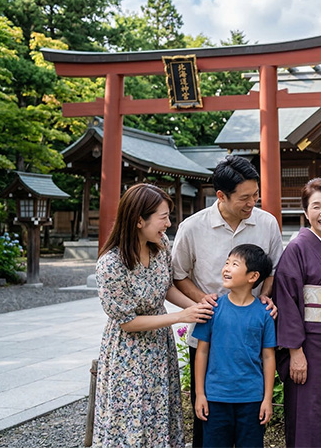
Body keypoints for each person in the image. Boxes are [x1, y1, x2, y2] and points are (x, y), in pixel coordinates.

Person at [172, 155, 283, 447]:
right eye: (245, 198)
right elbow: (178, 275)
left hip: (250, 336)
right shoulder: (192, 228)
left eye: (256, 195)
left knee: (250, 423)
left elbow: (273, 271)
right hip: (209, 336)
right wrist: (203, 301)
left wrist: (266, 298)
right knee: (208, 427)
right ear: (220, 196)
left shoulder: (267, 223)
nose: (252, 204)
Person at [94, 183, 214, 448]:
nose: (168, 224)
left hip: (159, 347)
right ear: (139, 220)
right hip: (128, 353)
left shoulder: (160, 246)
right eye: (163, 217)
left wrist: (199, 307)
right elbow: (127, 323)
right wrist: (182, 316)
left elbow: (166, 287)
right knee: (132, 417)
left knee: (160, 413)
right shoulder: (110, 264)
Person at [272, 178, 321, 447]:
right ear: (306, 212)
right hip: (307, 346)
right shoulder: (296, 248)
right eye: (316, 206)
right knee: (306, 414)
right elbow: (286, 301)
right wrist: (294, 352)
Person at [193, 244, 276, 447]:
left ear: (252, 276)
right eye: (226, 263)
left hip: (252, 401)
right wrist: (200, 394)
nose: (226, 268)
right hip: (216, 399)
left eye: (234, 264)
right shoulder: (212, 309)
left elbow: (268, 357)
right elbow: (202, 352)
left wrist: (267, 399)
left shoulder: (264, 314)